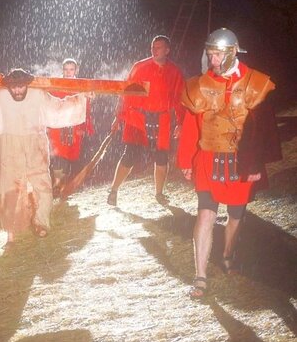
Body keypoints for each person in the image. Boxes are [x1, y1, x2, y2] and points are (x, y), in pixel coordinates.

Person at [176, 28, 278, 299]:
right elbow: (191, 126)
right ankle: (200, 276)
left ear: (232, 53)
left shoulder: (254, 83)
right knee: (205, 213)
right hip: (208, 159)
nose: (213, 61)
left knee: (236, 216)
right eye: (210, 55)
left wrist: (255, 163)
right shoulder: (199, 85)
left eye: (218, 55)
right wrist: (186, 159)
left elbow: (262, 129)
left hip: (241, 161)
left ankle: (227, 254)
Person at [0, 68, 88, 248]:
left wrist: (82, 98)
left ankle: (41, 222)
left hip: (35, 142)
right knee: (9, 187)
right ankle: (11, 235)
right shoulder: (1, 95)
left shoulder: (38, 94)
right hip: (8, 144)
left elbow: (58, 108)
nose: (17, 90)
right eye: (13, 87)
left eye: (21, 86)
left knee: (42, 184)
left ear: (27, 84)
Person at [107, 35, 185, 206]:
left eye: (158, 47)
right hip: (138, 117)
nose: (154, 50)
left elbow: (179, 99)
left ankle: (159, 193)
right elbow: (126, 92)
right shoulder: (140, 67)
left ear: (167, 50)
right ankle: (113, 190)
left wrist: (180, 122)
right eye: (152, 47)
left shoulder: (174, 71)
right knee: (130, 155)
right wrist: (118, 117)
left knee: (161, 157)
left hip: (162, 119)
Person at [47, 58, 94, 194]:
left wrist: (88, 96)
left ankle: (64, 186)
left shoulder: (81, 84)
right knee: (58, 154)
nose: (68, 72)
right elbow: (49, 101)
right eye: (66, 69)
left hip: (74, 126)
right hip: (58, 125)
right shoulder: (55, 83)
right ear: (62, 70)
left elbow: (85, 106)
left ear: (76, 70)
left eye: (71, 69)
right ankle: (57, 185)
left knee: (70, 156)